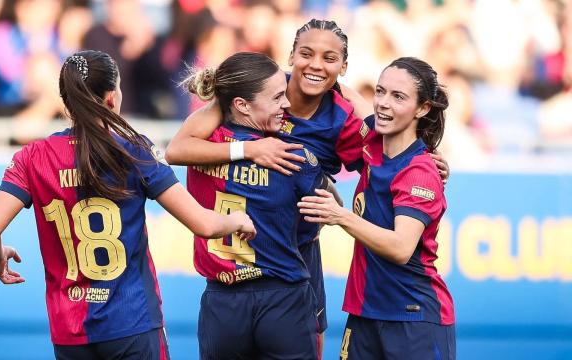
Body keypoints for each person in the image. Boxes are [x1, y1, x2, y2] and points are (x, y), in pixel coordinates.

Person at [165, 18, 451, 358]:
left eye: (330, 58)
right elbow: (177, 149)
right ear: (290, 56)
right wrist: (251, 149)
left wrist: (423, 159)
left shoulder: (343, 117)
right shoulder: (257, 89)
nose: (316, 65)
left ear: (343, 67)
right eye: (306, 53)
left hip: (296, 258)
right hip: (238, 270)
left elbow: (385, 154)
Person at [0, 50, 255, 360]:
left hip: (70, 332)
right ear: (111, 97)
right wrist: (238, 220)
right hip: (131, 322)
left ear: (66, 100)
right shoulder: (133, 150)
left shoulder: (33, 156)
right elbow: (205, 225)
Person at [297, 57, 456, 360]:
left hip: (413, 318)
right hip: (365, 313)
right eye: (380, 91)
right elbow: (340, 91)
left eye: (398, 97)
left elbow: (400, 248)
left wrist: (339, 215)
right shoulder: (372, 141)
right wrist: (293, 73)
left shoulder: (419, 171)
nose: (383, 103)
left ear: (422, 109)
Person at [182, 51, 324, 359]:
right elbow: (309, 233)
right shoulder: (293, 155)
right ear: (241, 105)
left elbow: (177, 150)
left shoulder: (200, 147)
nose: (286, 104)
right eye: (276, 98)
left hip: (222, 304)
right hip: (283, 296)